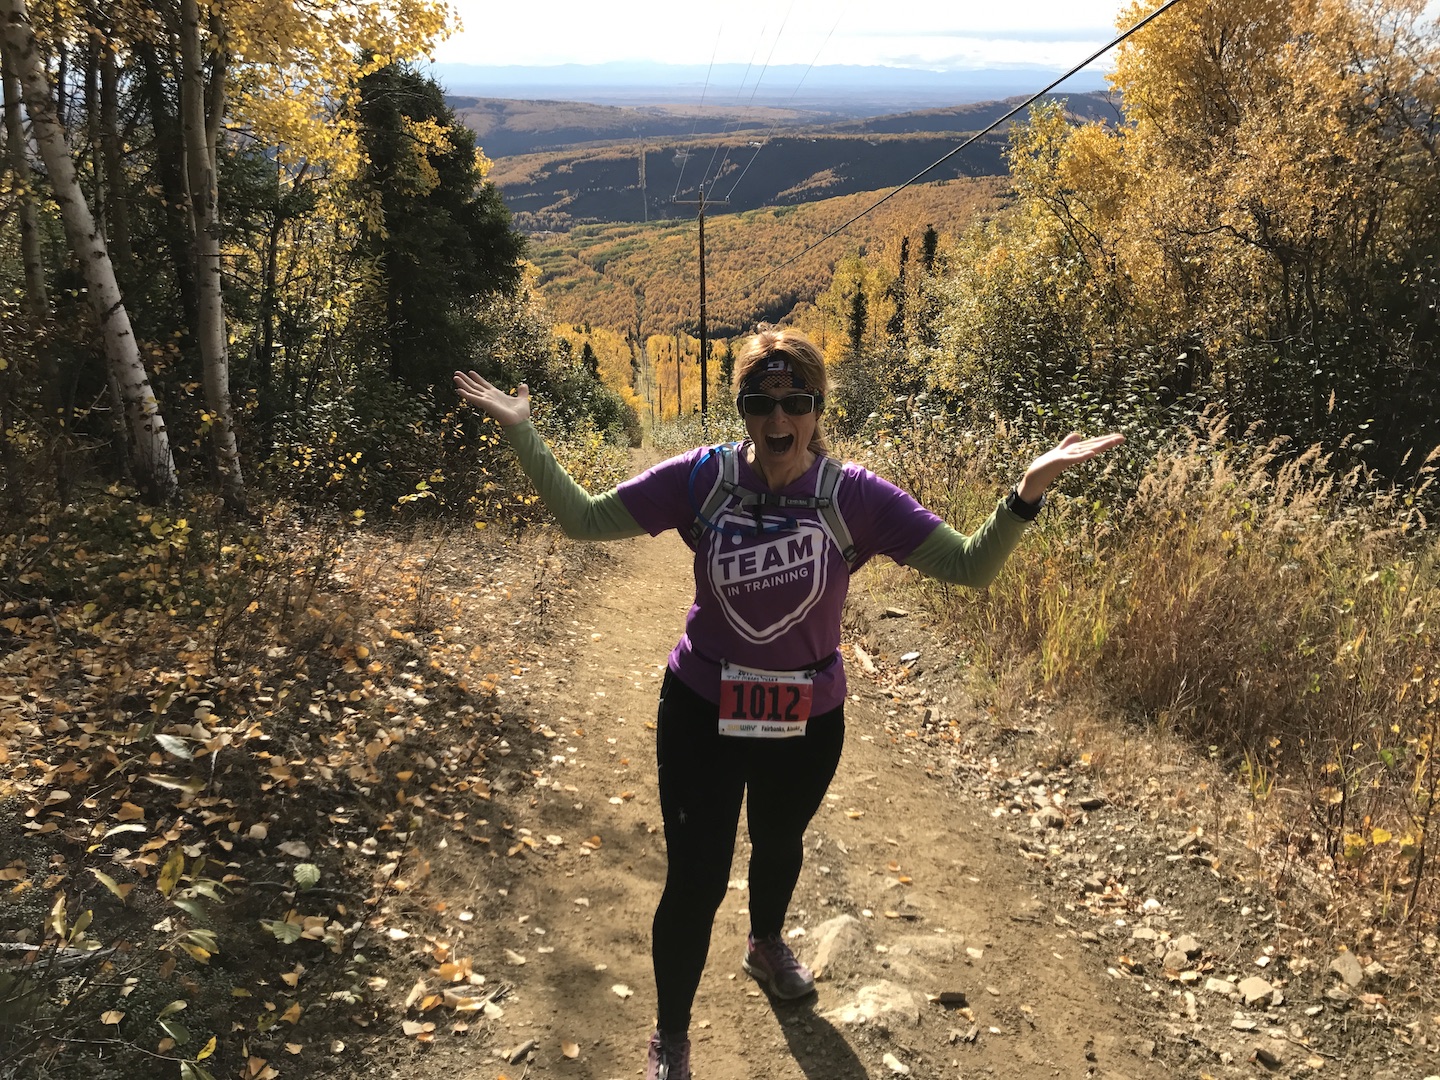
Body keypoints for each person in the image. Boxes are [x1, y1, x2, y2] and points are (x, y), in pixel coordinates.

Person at [454, 328, 1123, 1080]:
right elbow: (583, 520)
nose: (778, 421)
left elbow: (969, 567)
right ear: (740, 407)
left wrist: (1025, 494)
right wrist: (524, 431)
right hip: (702, 707)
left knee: (779, 842)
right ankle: (671, 1037)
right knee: (695, 880)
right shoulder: (701, 481)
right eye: (760, 403)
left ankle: (765, 944)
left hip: (806, 720)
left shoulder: (855, 498)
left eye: (795, 404)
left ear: (816, 408)